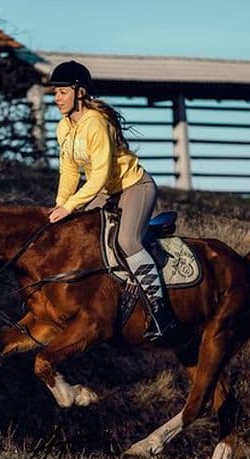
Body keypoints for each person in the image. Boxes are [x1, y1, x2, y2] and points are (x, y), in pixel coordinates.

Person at [45, 60, 176, 340]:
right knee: (73, 231)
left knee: (127, 242)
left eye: (62, 93)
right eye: (55, 93)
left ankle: (160, 311)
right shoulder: (63, 127)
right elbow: (68, 170)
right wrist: (61, 205)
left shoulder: (96, 124)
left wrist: (71, 205)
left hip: (134, 187)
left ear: (79, 92)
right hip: (104, 191)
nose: (56, 99)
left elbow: (100, 176)